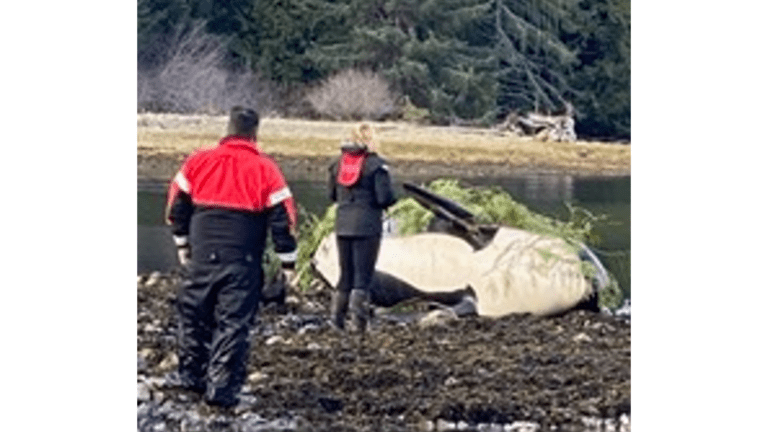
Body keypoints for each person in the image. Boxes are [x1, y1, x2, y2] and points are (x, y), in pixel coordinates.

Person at [165, 106, 298, 408]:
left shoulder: (198, 161)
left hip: (201, 254)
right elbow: (283, 219)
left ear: (227, 129)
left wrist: (182, 245)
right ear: (255, 133)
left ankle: (191, 378)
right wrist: (287, 263)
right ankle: (222, 390)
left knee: (193, 317)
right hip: (242, 260)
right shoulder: (266, 169)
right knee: (233, 324)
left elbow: (176, 206)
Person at [328, 123, 397, 334]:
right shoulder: (376, 165)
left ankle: (336, 321)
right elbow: (384, 198)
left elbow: (332, 196)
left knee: (345, 275)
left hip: (342, 225)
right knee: (363, 277)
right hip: (367, 226)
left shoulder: (336, 164)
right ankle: (359, 324)